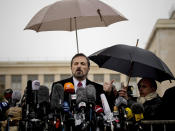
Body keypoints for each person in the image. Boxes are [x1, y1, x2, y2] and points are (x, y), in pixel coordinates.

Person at [50, 53, 116, 130]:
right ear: (71, 68)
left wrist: (108, 93)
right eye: (76, 64)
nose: (79, 66)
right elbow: (52, 109)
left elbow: (108, 112)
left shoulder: (98, 88)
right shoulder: (59, 86)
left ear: (88, 68)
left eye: (82, 64)